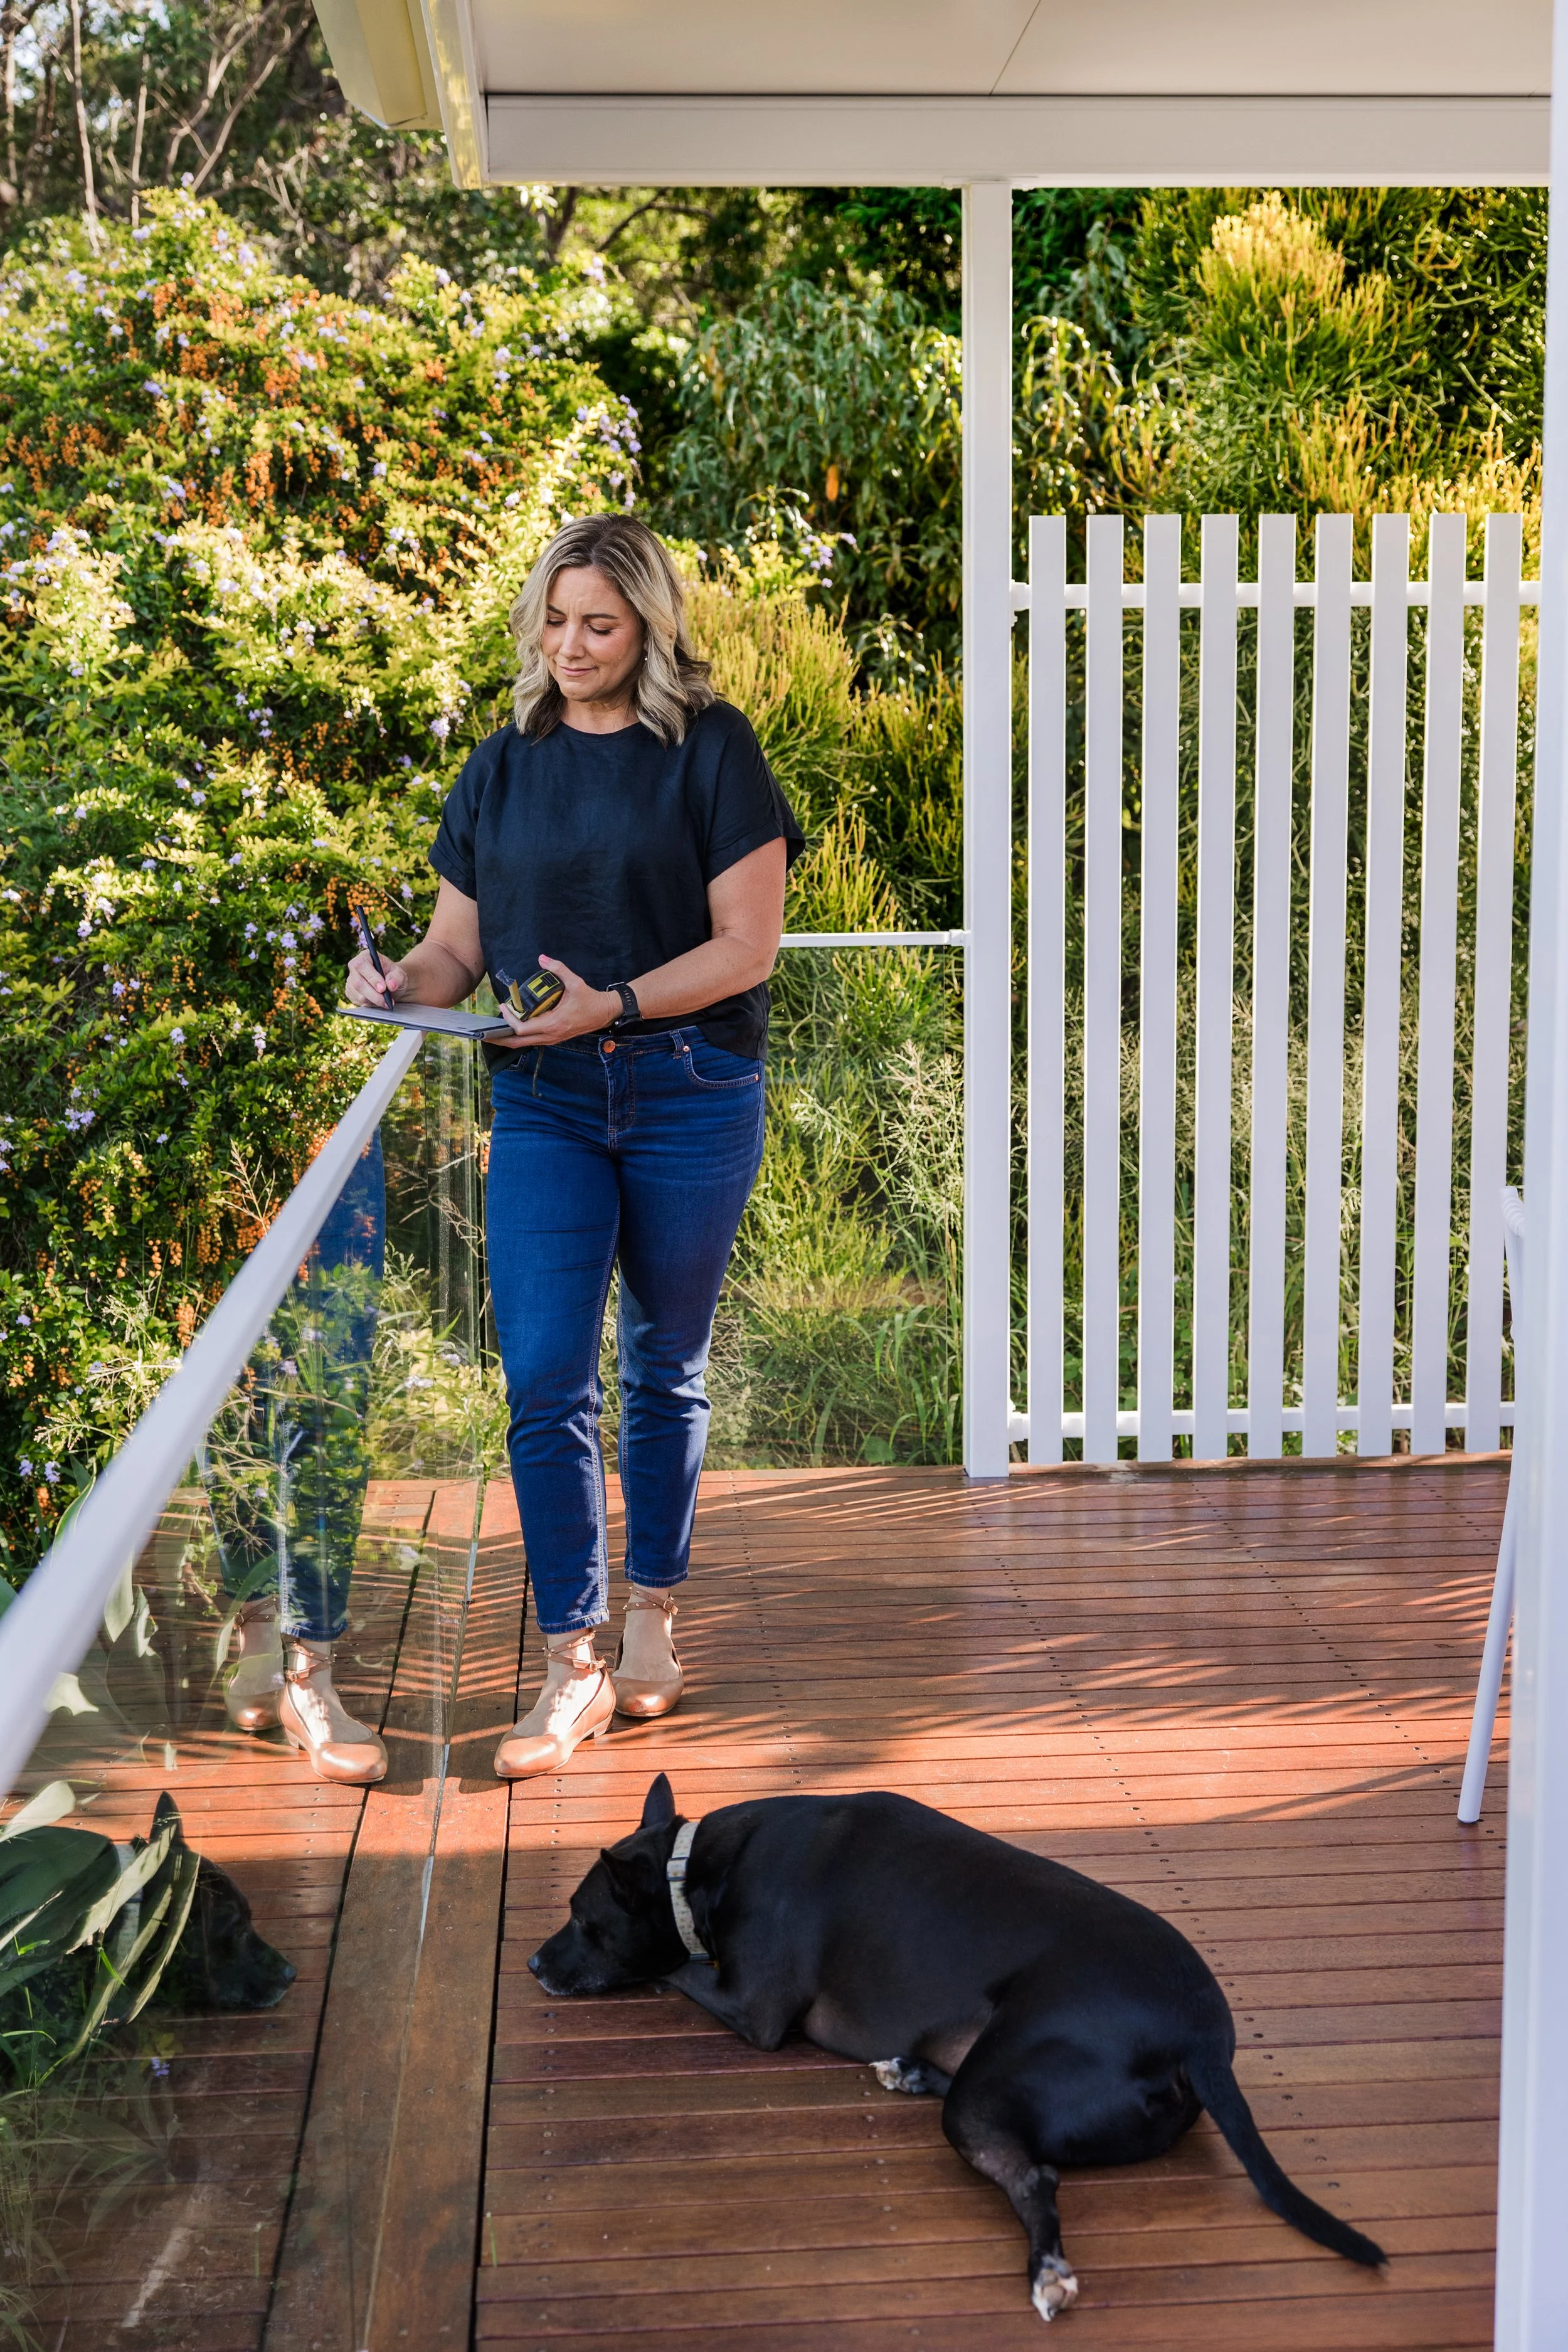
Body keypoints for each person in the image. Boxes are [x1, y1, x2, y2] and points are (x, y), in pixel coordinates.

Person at [345, 514, 803, 1780]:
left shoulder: (712, 752)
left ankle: (653, 1611)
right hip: (541, 1096)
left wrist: (620, 1004)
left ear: (647, 627)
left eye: (596, 624)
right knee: (545, 1377)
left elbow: (744, 948)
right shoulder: (501, 765)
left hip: (690, 1085)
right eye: (553, 621)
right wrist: (401, 984)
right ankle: (572, 1665)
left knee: (664, 1362)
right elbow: (456, 947)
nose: (569, 646)